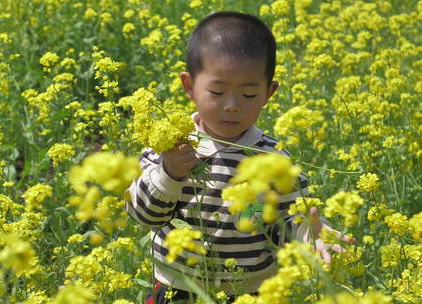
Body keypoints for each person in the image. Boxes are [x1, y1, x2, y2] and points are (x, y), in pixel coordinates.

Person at [125, 11, 354, 304]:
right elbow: (143, 216)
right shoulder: (169, 146)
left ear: (269, 93)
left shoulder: (273, 159)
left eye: (248, 95)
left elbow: (286, 221)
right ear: (189, 87)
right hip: (176, 289)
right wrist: (169, 173)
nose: (231, 106)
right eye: (217, 92)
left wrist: (310, 234)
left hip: (250, 292)